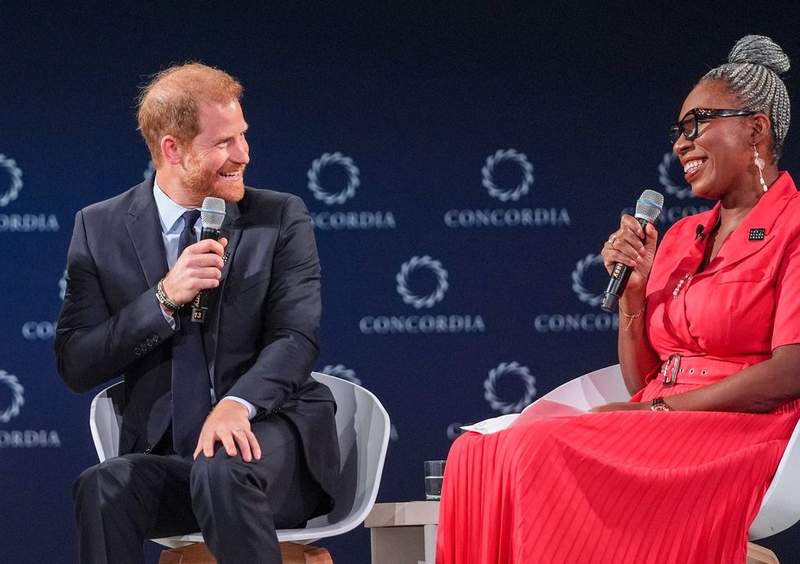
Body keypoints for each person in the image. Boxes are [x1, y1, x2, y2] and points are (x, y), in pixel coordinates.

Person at [436, 35, 800, 563]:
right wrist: (634, 298)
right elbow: (643, 380)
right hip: (663, 417)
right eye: (678, 131)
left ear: (756, 128)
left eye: (699, 123)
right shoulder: (680, 238)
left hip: (745, 433)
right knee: (474, 452)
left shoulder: (794, 227)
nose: (682, 142)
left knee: (540, 448)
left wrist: (658, 410)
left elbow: (789, 373)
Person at [55, 63, 340, 564]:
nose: (243, 155)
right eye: (224, 143)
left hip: (266, 445)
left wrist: (238, 405)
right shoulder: (98, 229)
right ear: (172, 148)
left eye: (243, 136)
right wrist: (162, 298)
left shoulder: (279, 217)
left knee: (221, 466)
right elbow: (78, 363)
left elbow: (295, 338)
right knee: (102, 487)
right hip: (170, 458)